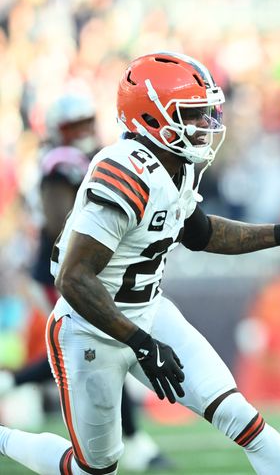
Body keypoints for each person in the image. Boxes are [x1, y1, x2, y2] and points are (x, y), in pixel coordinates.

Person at [0, 51, 280, 475]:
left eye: (204, 113)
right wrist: (139, 341)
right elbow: (74, 277)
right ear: (151, 119)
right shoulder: (123, 172)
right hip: (88, 330)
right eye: (191, 115)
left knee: (241, 417)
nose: (203, 126)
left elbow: (202, 233)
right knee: (93, 468)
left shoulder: (178, 164)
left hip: (150, 313)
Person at [0, 91, 173, 472]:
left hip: (85, 269)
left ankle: (130, 442)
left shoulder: (89, 157)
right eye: (73, 125)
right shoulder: (57, 164)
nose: (83, 131)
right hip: (60, 271)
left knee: (105, 349)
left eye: (85, 122)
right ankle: (131, 443)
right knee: (85, 344)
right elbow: (62, 222)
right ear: (60, 130)